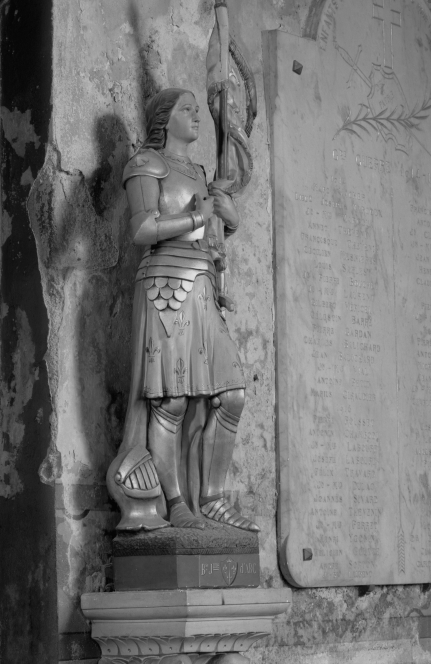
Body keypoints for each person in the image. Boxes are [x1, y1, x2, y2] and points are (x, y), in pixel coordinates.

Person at [107, 87, 259, 532]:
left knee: (231, 394)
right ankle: (174, 502)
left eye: (198, 110)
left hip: (202, 289)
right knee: (169, 401)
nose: (196, 116)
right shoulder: (145, 164)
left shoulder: (199, 171)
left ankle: (211, 496)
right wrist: (196, 216)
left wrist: (221, 220)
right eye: (186, 109)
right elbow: (142, 229)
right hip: (164, 286)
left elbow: (214, 232)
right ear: (164, 119)